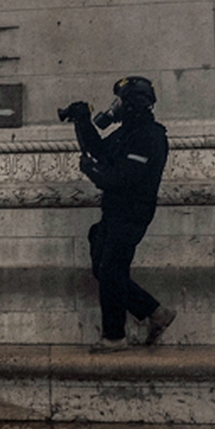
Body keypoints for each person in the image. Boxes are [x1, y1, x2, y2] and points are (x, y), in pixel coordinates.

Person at [67, 76, 176, 352]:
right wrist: (82, 120)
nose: (114, 106)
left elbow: (120, 178)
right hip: (115, 213)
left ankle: (114, 336)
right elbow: (101, 150)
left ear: (130, 104)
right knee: (105, 270)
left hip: (131, 215)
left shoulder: (148, 137)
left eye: (119, 100)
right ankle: (155, 312)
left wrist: (91, 171)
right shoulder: (129, 132)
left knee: (111, 271)